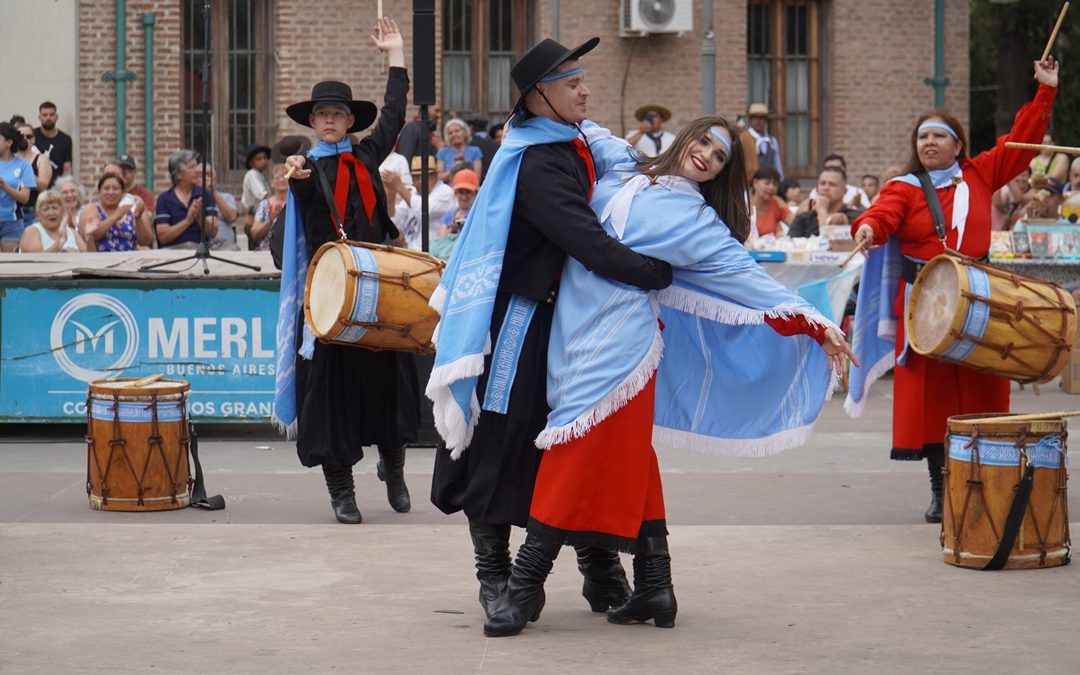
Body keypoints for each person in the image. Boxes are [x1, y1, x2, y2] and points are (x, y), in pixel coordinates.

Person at [484, 117, 854, 638]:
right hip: (569, 337)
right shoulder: (622, 168)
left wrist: (817, 324)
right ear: (684, 137)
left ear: (722, 172)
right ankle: (655, 583)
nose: (706, 155)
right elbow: (585, 127)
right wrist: (534, 103)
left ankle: (525, 586)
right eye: (703, 141)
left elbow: (747, 277)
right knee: (633, 459)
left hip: (622, 349)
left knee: (570, 458)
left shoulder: (696, 219)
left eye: (720, 156)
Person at [425, 36, 674, 629]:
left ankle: (602, 571)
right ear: (538, 97)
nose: (584, 89)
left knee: (574, 436)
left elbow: (631, 180)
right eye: (571, 83)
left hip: (568, 316)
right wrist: (655, 273)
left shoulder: (571, 141)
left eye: (583, 79)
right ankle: (497, 577)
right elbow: (583, 239)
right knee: (500, 440)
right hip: (522, 323)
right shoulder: (538, 160)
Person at [848, 57, 1059, 523]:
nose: (928, 142)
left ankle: (985, 482)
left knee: (984, 387)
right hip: (926, 301)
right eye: (922, 136)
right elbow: (881, 215)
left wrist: (1044, 91)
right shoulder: (902, 188)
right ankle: (941, 488)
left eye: (937, 135)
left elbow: (1020, 144)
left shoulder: (980, 174)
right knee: (933, 398)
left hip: (982, 296)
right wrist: (866, 228)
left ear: (958, 144)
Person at [273, 17, 418, 524]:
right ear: (312, 122)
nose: (330, 120)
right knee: (331, 390)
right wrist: (296, 184)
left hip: (378, 287)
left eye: (337, 113)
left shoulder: (368, 154)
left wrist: (396, 54)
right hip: (330, 293)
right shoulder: (305, 168)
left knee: (390, 380)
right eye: (322, 114)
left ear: (349, 121)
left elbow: (396, 113)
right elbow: (293, 232)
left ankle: (393, 466)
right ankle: (341, 488)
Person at [154, 150, 219, 248]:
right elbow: (163, 237)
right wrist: (188, 221)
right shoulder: (164, 199)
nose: (197, 170)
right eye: (192, 167)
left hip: (200, 251)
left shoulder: (206, 194)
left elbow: (213, 232)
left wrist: (200, 218)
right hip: (173, 253)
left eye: (196, 165)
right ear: (178, 174)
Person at [79, 173, 153, 251]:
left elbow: (145, 241)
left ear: (123, 192)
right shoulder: (92, 208)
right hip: (101, 260)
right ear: (99, 192)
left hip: (130, 260)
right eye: (106, 188)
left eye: (115, 188)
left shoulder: (129, 210)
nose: (111, 192)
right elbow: (89, 236)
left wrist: (138, 219)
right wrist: (115, 216)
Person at [789, 166, 862, 237]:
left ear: (845, 190)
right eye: (822, 183)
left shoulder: (855, 217)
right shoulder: (804, 218)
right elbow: (789, 245)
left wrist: (822, 210)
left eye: (832, 184)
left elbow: (830, 243)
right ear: (817, 189)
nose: (825, 188)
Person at [0, 122, 35, 252]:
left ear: (9, 143)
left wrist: (4, 187)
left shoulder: (23, 166)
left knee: (9, 265)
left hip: (12, 223)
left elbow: (25, 198)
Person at [429, 168, 477, 260]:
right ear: (455, 193)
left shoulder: (476, 213)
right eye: (460, 192)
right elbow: (440, 237)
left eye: (468, 193)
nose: (464, 197)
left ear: (475, 193)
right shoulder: (451, 213)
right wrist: (453, 229)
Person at [19, 189, 87, 252]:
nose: (51, 213)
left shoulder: (72, 233)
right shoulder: (32, 231)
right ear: (39, 214)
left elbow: (88, 257)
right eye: (46, 209)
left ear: (62, 211)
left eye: (54, 208)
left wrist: (89, 237)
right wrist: (60, 243)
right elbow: (36, 260)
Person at [14, 122, 52, 232]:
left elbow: (43, 186)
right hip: (11, 211)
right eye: (21, 136)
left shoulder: (41, 159)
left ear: (33, 139)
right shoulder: (9, 159)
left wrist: (25, 171)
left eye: (28, 136)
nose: (25, 139)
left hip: (32, 210)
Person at [738, 102, 782, 181]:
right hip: (749, 184)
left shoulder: (772, 141)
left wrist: (780, 181)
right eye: (755, 118)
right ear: (750, 119)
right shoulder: (743, 138)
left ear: (766, 120)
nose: (758, 121)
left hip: (769, 184)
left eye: (761, 118)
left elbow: (777, 165)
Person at [33, 101, 73, 187]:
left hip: (56, 187)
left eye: (51, 114)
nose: (48, 118)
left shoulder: (65, 139)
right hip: (35, 186)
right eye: (45, 115)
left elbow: (67, 168)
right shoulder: (31, 137)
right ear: (39, 117)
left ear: (56, 117)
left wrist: (65, 187)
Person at [202, 163, 240, 250]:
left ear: (215, 179)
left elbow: (232, 217)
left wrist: (213, 192)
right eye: (202, 176)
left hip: (223, 244)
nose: (206, 179)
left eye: (209, 175)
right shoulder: (192, 197)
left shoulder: (227, 197)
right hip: (199, 245)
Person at [251, 162, 288, 250]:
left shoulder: (296, 203)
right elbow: (254, 234)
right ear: (272, 182)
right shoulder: (265, 205)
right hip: (268, 250)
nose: (281, 180)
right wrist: (271, 219)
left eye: (285, 176)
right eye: (277, 177)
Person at [747, 165, 791, 239]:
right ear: (755, 183)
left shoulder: (777, 203)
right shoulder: (743, 204)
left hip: (770, 249)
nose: (771, 187)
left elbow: (796, 224)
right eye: (767, 183)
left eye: (775, 184)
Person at [241, 144, 272, 229]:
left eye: (265, 157)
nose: (263, 160)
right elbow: (263, 195)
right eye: (258, 159)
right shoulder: (252, 174)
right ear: (251, 163)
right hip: (254, 219)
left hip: (259, 218)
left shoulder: (260, 175)